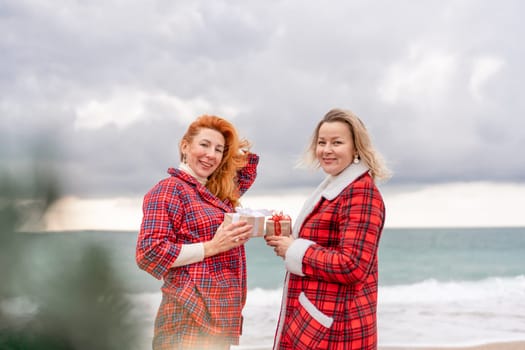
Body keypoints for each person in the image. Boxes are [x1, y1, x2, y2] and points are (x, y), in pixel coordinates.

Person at [265, 108, 391, 350]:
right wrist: (289, 240)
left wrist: (295, 249)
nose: (326, 150)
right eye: (322, 142)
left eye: (337, 142)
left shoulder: (361, 192)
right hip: (319, 320)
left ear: (356, 148)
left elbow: (352, 265)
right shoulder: (335, 187)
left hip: (337, 330)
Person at [136, 115, 259, 350]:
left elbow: (244, 171)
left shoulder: (213, 194)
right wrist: (212, 246)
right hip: (187, 318)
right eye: (204, 144)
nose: (211, 155)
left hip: (218, 320)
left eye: (219, 149)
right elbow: (149, 253)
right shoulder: (169, 189)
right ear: (185, 146)